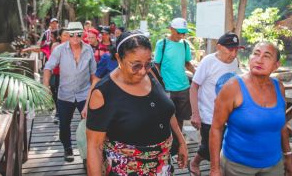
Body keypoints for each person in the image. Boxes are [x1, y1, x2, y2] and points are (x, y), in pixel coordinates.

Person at [86, 31, 188, 175]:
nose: (142, 72)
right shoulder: (103, 93)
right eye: (135, 65)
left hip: (162, 165)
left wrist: (181, 141)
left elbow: (167, 111)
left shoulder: (151, 72)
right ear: (118, 58)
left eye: (147, 64)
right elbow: (95, 147)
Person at [209, 42, 292, 176]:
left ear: (276, 65)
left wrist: (288, 155)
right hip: (237, 167)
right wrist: (214, 169)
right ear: (249, 58)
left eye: (267, 56)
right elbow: (216, 127)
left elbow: (282, 125)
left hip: (274, 165)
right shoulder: (232, 87)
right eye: (256, 54)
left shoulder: (279, 87)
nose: (259, 60)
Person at [189, 32, 243, 176]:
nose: (233, 53)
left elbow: (237, 82)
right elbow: (194, 87)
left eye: (236, 49)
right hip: (208, 114)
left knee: (224, 145)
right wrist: (195, 114)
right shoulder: (208, 61)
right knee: (209, 147)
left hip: (228, 114)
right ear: (219, 47)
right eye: (230, 49)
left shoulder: (234, 62)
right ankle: (195, 163)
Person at [43, 22, 97, 162]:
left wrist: (92, 97)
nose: (75, 37)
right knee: (64, 124)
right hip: (65, 94)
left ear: (82, 34)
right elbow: (48, 67)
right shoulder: (60, 49)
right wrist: (46, 86)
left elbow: (93, 75)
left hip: (84, 93)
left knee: (89, 123)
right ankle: (68, 149)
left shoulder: (88, 49)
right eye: (71, 34)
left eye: (78, 34)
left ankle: (87, 152)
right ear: (68, 34)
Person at [154, 17, 195, 155]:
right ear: (171, 29)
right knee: (166, 118)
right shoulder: (162, 44)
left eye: (184, 33)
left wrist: (197, 73)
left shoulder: (185, 45)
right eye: (179, 32)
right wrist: (161, 81)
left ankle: (177, 144)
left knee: (181, 118)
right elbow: (156, 64)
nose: (181, 36)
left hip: (184, 87)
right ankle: (165, 145)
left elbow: (187, 63)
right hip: (168, 88)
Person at [49, 28, 71, 124]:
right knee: (56, 92)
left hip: (70, 75)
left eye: (68, 35)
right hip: (57, 73)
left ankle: (65, 113)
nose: (67, 37)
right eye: (65, 35)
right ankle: (58, 112)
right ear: (60, 37)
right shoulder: (56, 46)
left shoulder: (74, 46)